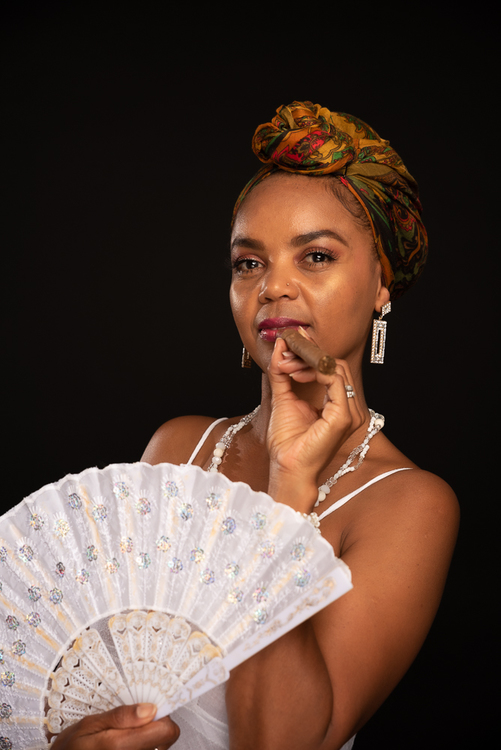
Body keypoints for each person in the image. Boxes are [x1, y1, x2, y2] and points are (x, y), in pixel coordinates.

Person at [53, 101, 459, 750]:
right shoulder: (178, 446)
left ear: (381, 281)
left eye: (315, 256)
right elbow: (99, 690)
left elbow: (279, 741)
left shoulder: (409, 504)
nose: (273, 287)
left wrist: (289, 485)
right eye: (250, 263)